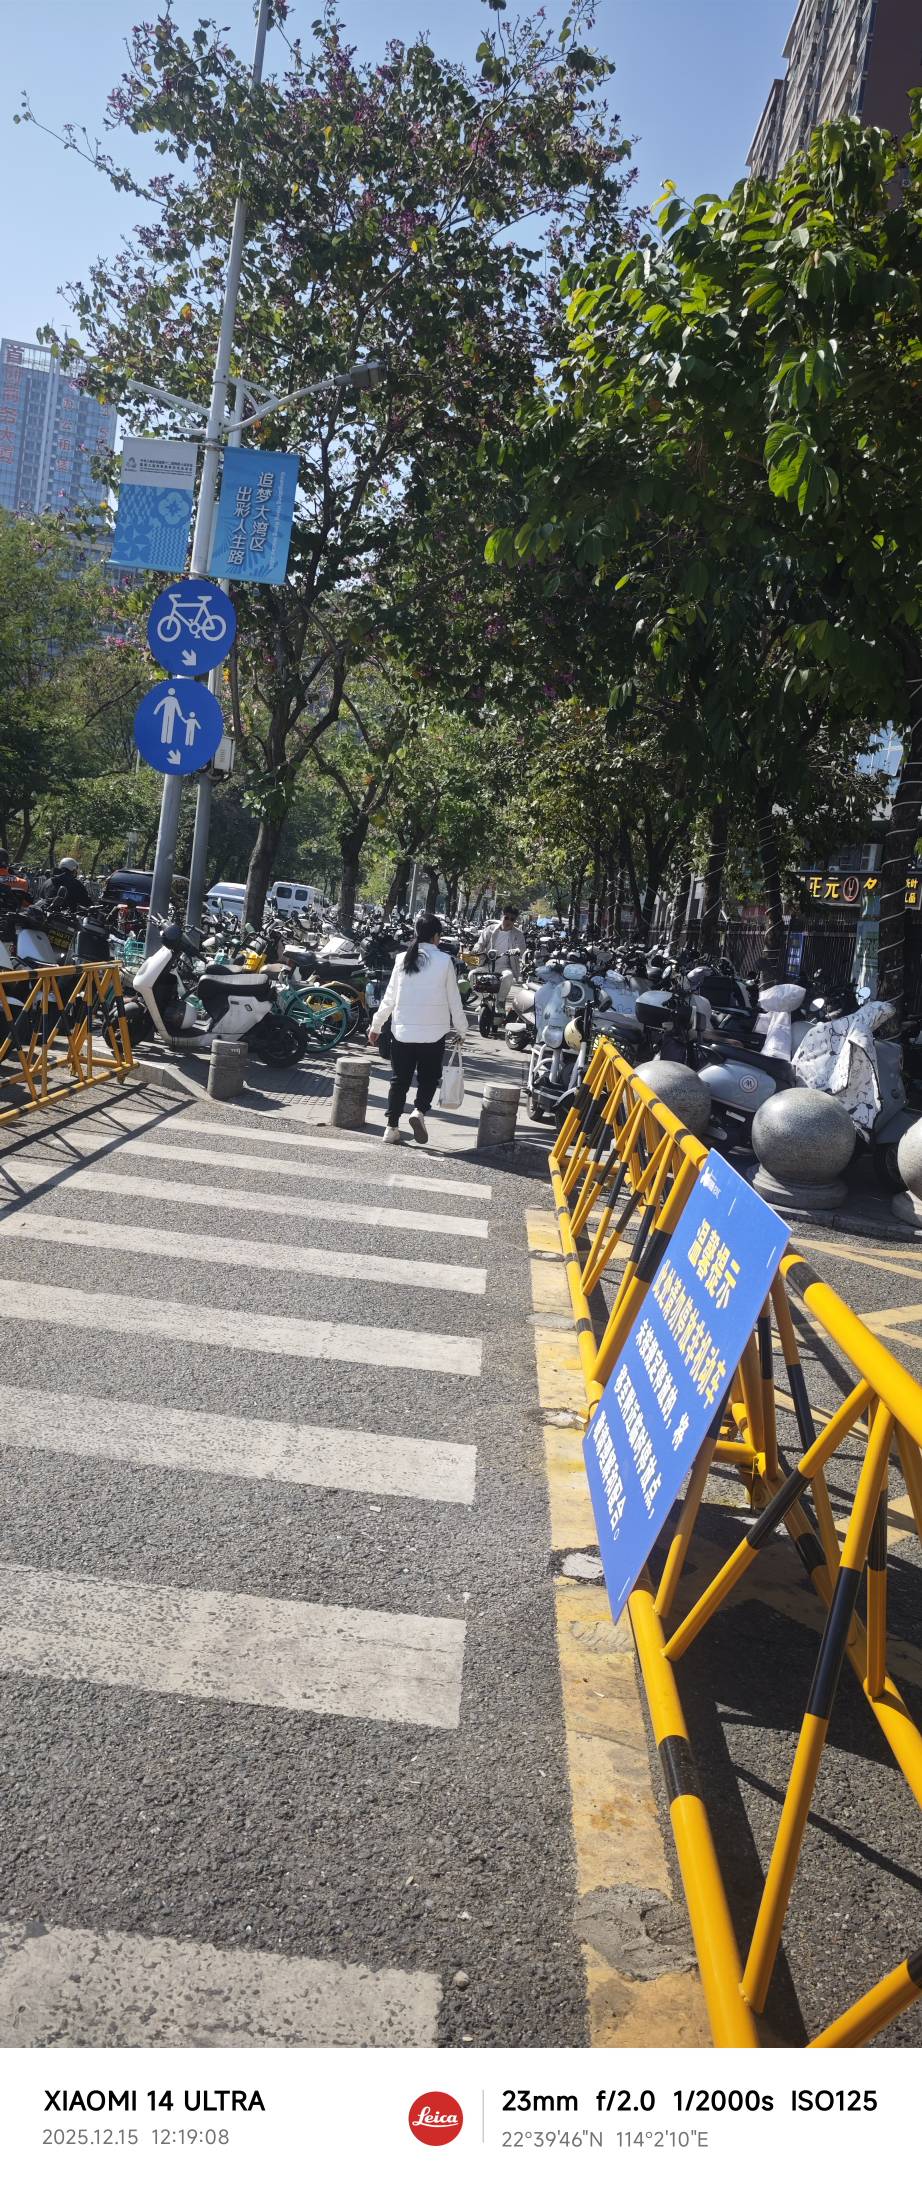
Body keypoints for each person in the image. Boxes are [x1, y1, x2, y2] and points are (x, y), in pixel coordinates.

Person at [369, 912, 467, 1144]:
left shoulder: (402, 959)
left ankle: (391, 1127)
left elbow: (389, 998)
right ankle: (419, 1111)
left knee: (399, 1081)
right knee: (429, 1078)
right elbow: (454, 1000)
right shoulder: (444, 961)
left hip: (402, 1032)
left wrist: (376, 1025)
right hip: (434, 1034)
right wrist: (462, 1030)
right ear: (436, 936)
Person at [476, 903, 527, 969]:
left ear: (515, 921)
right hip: (486, 965)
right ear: (501, 916)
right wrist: (476, 949)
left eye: (512, 919)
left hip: (507, 968)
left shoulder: (518, 934)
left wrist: (516, 951)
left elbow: (522, 949)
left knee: (507, 975)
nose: (509, 921)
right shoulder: (490, 929)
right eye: (506, 918)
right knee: (472, 973)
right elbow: (480, 943)